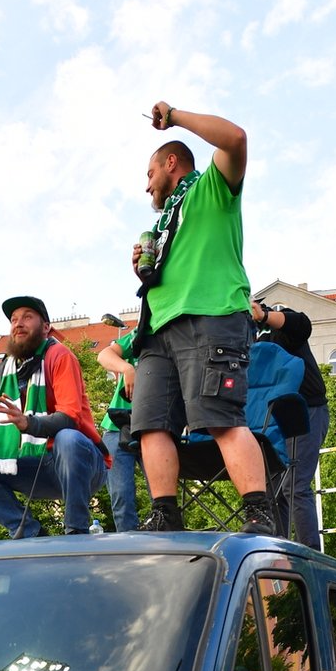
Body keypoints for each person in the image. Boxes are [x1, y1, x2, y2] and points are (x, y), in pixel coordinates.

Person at [129, 102, 273, 537]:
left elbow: (236, 139)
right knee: (151, 424)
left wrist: (173, 116)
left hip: (211, 318)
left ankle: (258, 514)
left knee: (221, 419)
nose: (147, 186)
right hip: (156, 330)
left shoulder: (213, 189)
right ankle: (165, 514)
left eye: (150, 174)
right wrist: (143, 268)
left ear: (171, 163)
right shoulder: (164, 224)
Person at [0, 296, 108, 537]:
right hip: (31, 466)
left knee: (67, 438)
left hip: (81, 464)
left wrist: (29, 423)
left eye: (27, 317)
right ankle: (30, 533)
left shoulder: (60, 356)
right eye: (14, 320)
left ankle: (77, 531)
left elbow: (69, 417)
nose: (18, 324)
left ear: (46, 327)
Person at [251, 300, 329, 548]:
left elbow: (301, 324)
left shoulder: (281, 324)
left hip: (306, 409)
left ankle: (309, 553)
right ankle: (277, 549)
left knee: (295, 485)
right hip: (271, 417)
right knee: (272, 489)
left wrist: (263, 315)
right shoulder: (245, 338)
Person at [97, 330, 143, 531]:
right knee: (121, 495)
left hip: (155, 426)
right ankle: (130, 544)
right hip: (118, 426)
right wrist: (127, 368)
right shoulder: (140, 334)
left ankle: (165, 545)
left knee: (160, 497)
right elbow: (104, 354)